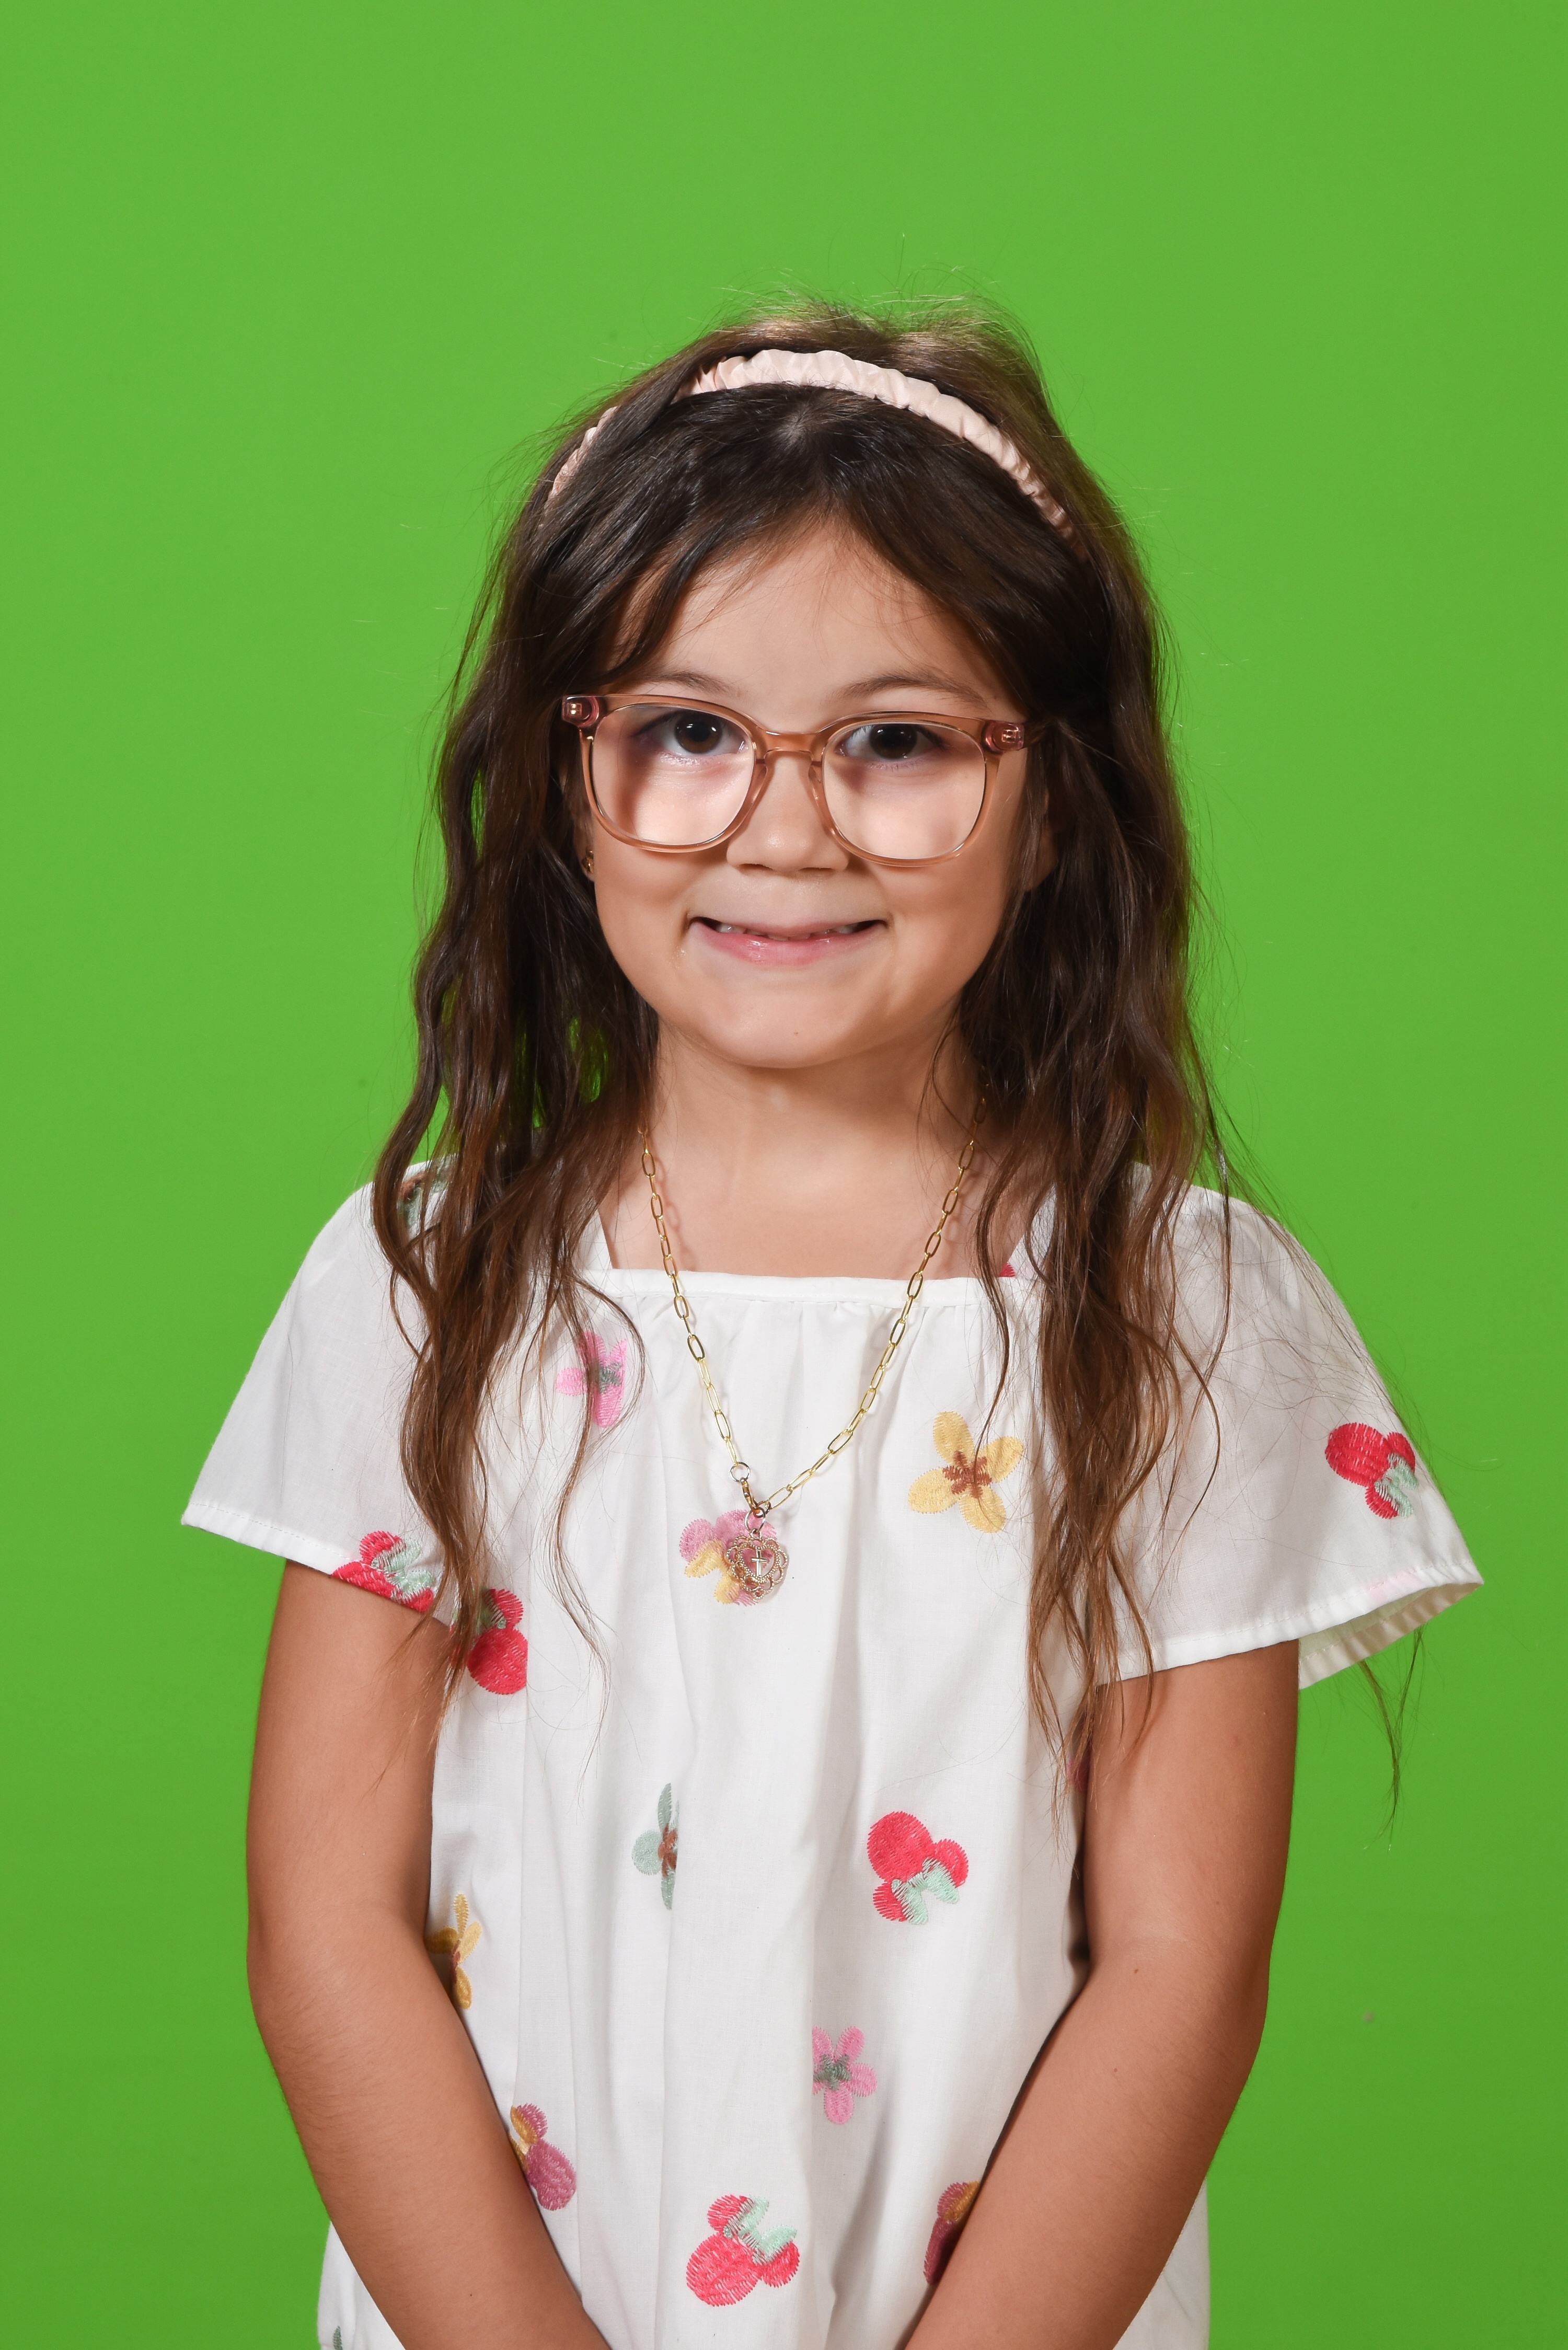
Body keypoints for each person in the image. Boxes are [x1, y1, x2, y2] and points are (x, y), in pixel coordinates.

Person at [185, 309, 1480, 2350]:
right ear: (563, 777)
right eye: (687, 730)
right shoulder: (428, 1279)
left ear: (1051, 797)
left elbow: (1181, 1969)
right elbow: (324, 1926)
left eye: (896, 743)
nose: (783, 829)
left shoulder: (1185, 1309)